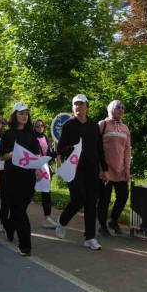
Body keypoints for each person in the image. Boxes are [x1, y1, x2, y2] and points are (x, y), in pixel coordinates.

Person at [55, 94, 109, 251]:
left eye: (81, 104)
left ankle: (90, 237)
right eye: (75, 104)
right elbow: (60, 149)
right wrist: (71, 149)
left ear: (87, 106)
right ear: (73, 107)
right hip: (74, 169)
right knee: (78, 199)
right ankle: (62, 221)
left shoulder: (93, 126)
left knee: (91, 202)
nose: (78, 107)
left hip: (92, 169)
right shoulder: (69, 125)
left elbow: (99, 149)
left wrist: (104, 169)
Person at [0, 103, 40, 256]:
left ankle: (9, 226)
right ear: (14, 115)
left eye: (26, 114)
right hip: (12, 177)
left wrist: (37, 166)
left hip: (28, 177)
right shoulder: (8, 134)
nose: (24, 116)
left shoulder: (32, 134)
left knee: (19, 210)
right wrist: (13, 154)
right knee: (19, 211)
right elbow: (2, 156)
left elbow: (36, 155)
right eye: (21, 113)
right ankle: (25, 245)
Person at [97, 100, 132, 237]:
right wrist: (101, 169)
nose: (121, 110)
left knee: (123, 196)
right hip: (105, 170)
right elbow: (96, 147)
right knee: (104, 199)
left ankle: (113, 220)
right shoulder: (103, 124)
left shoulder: (125, 128)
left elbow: (127, 150)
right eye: (118, 107)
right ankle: (102, 226)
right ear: (111, 108)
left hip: (120, 170)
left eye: (123, 108)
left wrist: (127, 168)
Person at [34, 119, 58, 229]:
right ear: (33, 127)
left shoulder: (45, 138)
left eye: (42, 125)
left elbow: (48, 154)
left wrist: (57, 153)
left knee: (46, 193)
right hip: (33, 168)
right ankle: (16, 216)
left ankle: (47, 218)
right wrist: (35, 168)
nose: (40, 127)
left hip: (45, 169)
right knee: (27, 193)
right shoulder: (31, 138)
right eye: (37, 126)